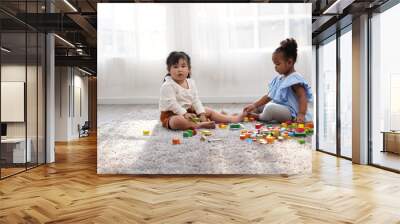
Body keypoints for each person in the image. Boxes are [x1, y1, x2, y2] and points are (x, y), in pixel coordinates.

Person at [159, 51, 245, 130]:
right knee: (177, 121)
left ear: (189, 69)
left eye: (183, 66)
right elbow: (172, 104)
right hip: (171, 114)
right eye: (175, 67)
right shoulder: (168, 85)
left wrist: (201, 114)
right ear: (169, 70)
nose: (180, 69)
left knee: (208, 110)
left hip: (189, 111)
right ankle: (199, 125)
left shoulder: (191, 83)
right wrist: (184, 114)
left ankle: (232, 119)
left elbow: (195, 100)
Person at [243, 38, 313, 123]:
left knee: (270, 108)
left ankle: (260, 116)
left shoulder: (295, 79)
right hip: (281, 107)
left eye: (278, 64)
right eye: (274, 64)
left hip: (291, 112)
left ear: (289, 62)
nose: (275, 67)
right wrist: (254, 105)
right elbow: (269, 96)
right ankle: (255, 111)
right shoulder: (279, 78)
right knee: (262, 105)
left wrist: (301, 114)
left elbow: (302, 97)